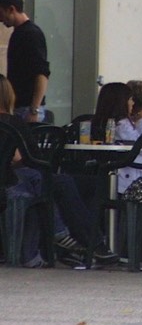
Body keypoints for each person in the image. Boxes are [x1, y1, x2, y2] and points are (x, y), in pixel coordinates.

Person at [0, 75, 118, 267]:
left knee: (61, 184)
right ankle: (85, 242)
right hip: (12, 178)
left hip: (16, 178)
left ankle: (72, 243)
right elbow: (25, 158)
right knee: (56, 182)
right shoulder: (13, 123)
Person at [0, 0, 50, 123]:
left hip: (27, 107)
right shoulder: (19, 33)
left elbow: (42, 73)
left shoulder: (31, 34)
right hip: (20, 106)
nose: (1, 20)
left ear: (11, 9)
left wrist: (34, 109)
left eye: (1, 14)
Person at [91, 82, 142, 192]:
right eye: (130, 99)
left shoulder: (104, 122)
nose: (132, 103)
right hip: (131, 178)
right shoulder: (121, 125)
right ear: (121, 102)